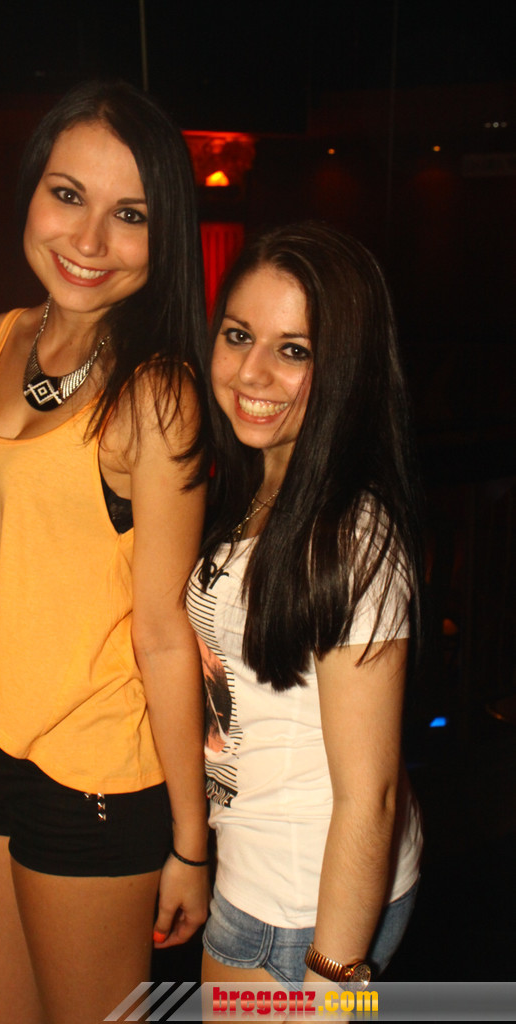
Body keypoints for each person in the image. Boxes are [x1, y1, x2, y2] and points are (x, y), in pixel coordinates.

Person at [0, 80, 210, 1024]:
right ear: (31, 192)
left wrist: (190, 841)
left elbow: (164, 632)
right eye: (67, 195)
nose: (90, 240)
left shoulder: (157, 395)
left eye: (130, 215)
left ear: (164, 235)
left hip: (100, 772)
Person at [187, 222, 423, 992]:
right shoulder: (263, 483)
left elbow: (369, 795)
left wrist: (331, 984)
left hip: (297, 906)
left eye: (293, 350)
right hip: (265, 862)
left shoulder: (346, 537)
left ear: (345, 367)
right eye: (238, 335)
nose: (251, 371)